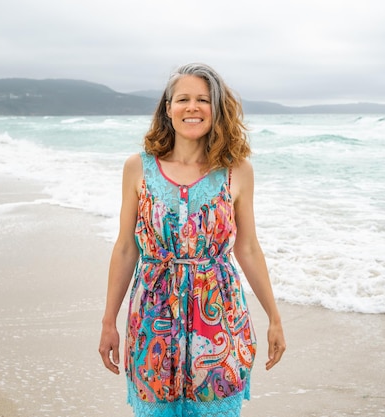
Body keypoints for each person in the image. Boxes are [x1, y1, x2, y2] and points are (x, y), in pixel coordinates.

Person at [99, 63, 285, 417]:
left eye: (203, 99)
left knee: (216, 410)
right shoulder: (138, 167)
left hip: (218, 315)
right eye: (183, 98)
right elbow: (126, 247)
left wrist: (274, 317)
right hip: (153, 316)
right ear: (168, 109)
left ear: (216, 109)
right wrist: (108, 321)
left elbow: (247, 248)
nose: (193, 107)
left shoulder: (237, 171)